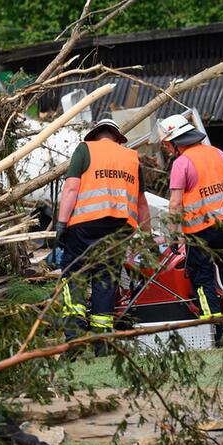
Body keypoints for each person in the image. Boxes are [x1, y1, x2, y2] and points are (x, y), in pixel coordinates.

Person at [54, 117, 150, 342]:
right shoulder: (131, 157)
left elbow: (71, 188)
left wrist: (61, 224)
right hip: (118, 229)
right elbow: (142, 202)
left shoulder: (85, 149)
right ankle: (102, 339)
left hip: (83, 227)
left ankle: (75, 334)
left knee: (75, 275)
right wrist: (148, 236)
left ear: (95, 135)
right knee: (105, 279)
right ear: (118, 138)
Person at [158, 111, 223, 342]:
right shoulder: (218, 153)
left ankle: (213, 332)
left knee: (203, 280)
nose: (168, 150)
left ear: (173, 142)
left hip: (198, 231)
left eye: (167, 145)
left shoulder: (182, 163)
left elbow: (176, 203)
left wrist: (173, 236)